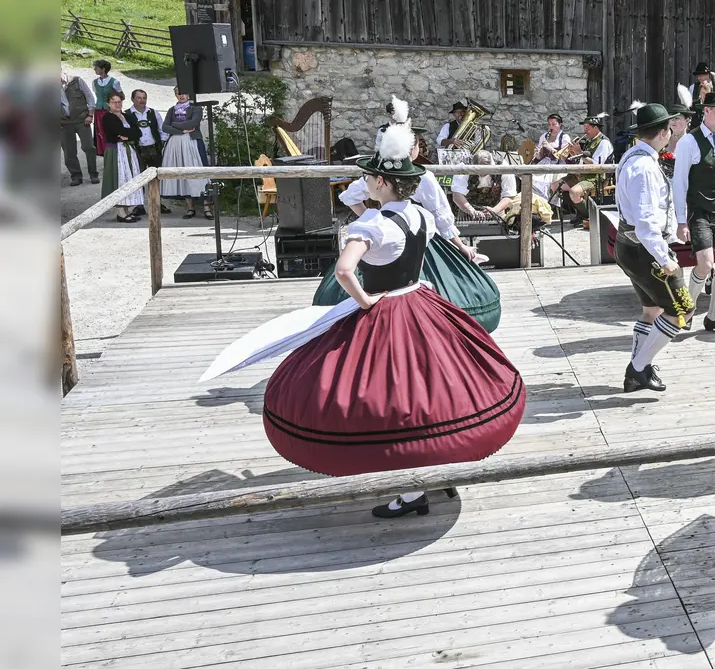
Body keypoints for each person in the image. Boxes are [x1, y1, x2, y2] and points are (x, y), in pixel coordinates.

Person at [208, 103, 526, 519]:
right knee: (433, 389)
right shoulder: (420, 218)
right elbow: (426, 248)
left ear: (380, 181)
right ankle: (437, 469)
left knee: (389, 398)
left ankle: (412, 491)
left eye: (368, 178)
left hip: (386, 310)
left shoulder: (372, 226)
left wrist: (364, 302)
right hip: (422, 303)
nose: (365, 183)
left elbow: (344, 270)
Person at [322, 100, 503, 332]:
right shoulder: (419, 206)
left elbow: (348, 201)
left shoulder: (375, 218)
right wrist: (460, 246)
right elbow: (441, 216)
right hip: (417, 251)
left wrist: (373, 219)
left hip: (384, 288)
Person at [613, 103, 696, 393]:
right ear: (662, 133)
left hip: (630, 247)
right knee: (682, 309)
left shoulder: (630, 156)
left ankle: (639, 368)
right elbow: (646, 222)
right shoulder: (645, 167)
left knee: (651, 309)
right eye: (669, 131)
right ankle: (638, 368)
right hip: (645, 251)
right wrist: (665, 258)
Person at [673, 73, 715, 335]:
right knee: (704, 263)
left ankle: (714, 315)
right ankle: (687, 312)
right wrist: (681, 220)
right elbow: (679, 183)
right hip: (700, 210)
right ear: (707, 111)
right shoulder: (689, 142)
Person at [161, 89, 211, 219]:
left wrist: (174, 124)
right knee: (183, 174)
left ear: (188, 94)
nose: (181, 95)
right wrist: (182, 130)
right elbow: (164, 127)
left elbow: (193, 123)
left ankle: (207, 206)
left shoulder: (195, 108)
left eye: (183, 93)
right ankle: (189, 207)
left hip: (192, 142)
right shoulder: (172, 110)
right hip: (176, 144)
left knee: (200, 172)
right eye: (178, 93)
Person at [98, 91, 144, 223]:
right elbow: (118, 132)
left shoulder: (127, 116)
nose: (117, 104)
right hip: (116, 151)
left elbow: (138, 132)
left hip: (128, 149)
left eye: (119, 101)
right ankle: (120, 212)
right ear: (108, 103)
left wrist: (127, 135)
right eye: (114, 102)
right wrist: (126, 134)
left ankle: (127, 210)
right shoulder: (108, 117)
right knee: (119, 178)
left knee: (129, 177)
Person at [126, 90, 167, 211]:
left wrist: (162, 142)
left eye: (144, 97)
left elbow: (162, 129)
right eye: (139, 98)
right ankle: (139, 205)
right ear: (132, 99)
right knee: (139, 177)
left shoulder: (153, 113)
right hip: (138, 150)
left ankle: (157, 203)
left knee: (156, 177)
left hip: (154, 148)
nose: (142, 100)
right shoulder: (127, 114)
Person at [452, 150, 521, 221]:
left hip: (496, 212)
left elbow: (509, 196)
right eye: (477, 171)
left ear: (491, 165)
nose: (481, 174)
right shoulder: (464, 166)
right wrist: (472, 211)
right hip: (467, 212)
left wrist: (494, 210)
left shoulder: (503, 166)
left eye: (484, 171)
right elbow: (457, 195)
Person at [60, 71, 98, 186]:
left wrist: (90, 115)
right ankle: (76, 176)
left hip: (82, 120)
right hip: (64, 123)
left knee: (89, 147)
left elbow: (90, 98)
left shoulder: (77, 81)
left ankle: (93, 174)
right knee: (69, 151)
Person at [90, 59, 122, 156]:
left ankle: (113, 151)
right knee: (100, 131)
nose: (94, 69)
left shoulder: (114, 82)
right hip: (99, 110)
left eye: (97, 68)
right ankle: (103, 151)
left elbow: (121, 95)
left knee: (111, 131)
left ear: (103, 69)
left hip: (110, 111)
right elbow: (97, 94)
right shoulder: (95, 82)